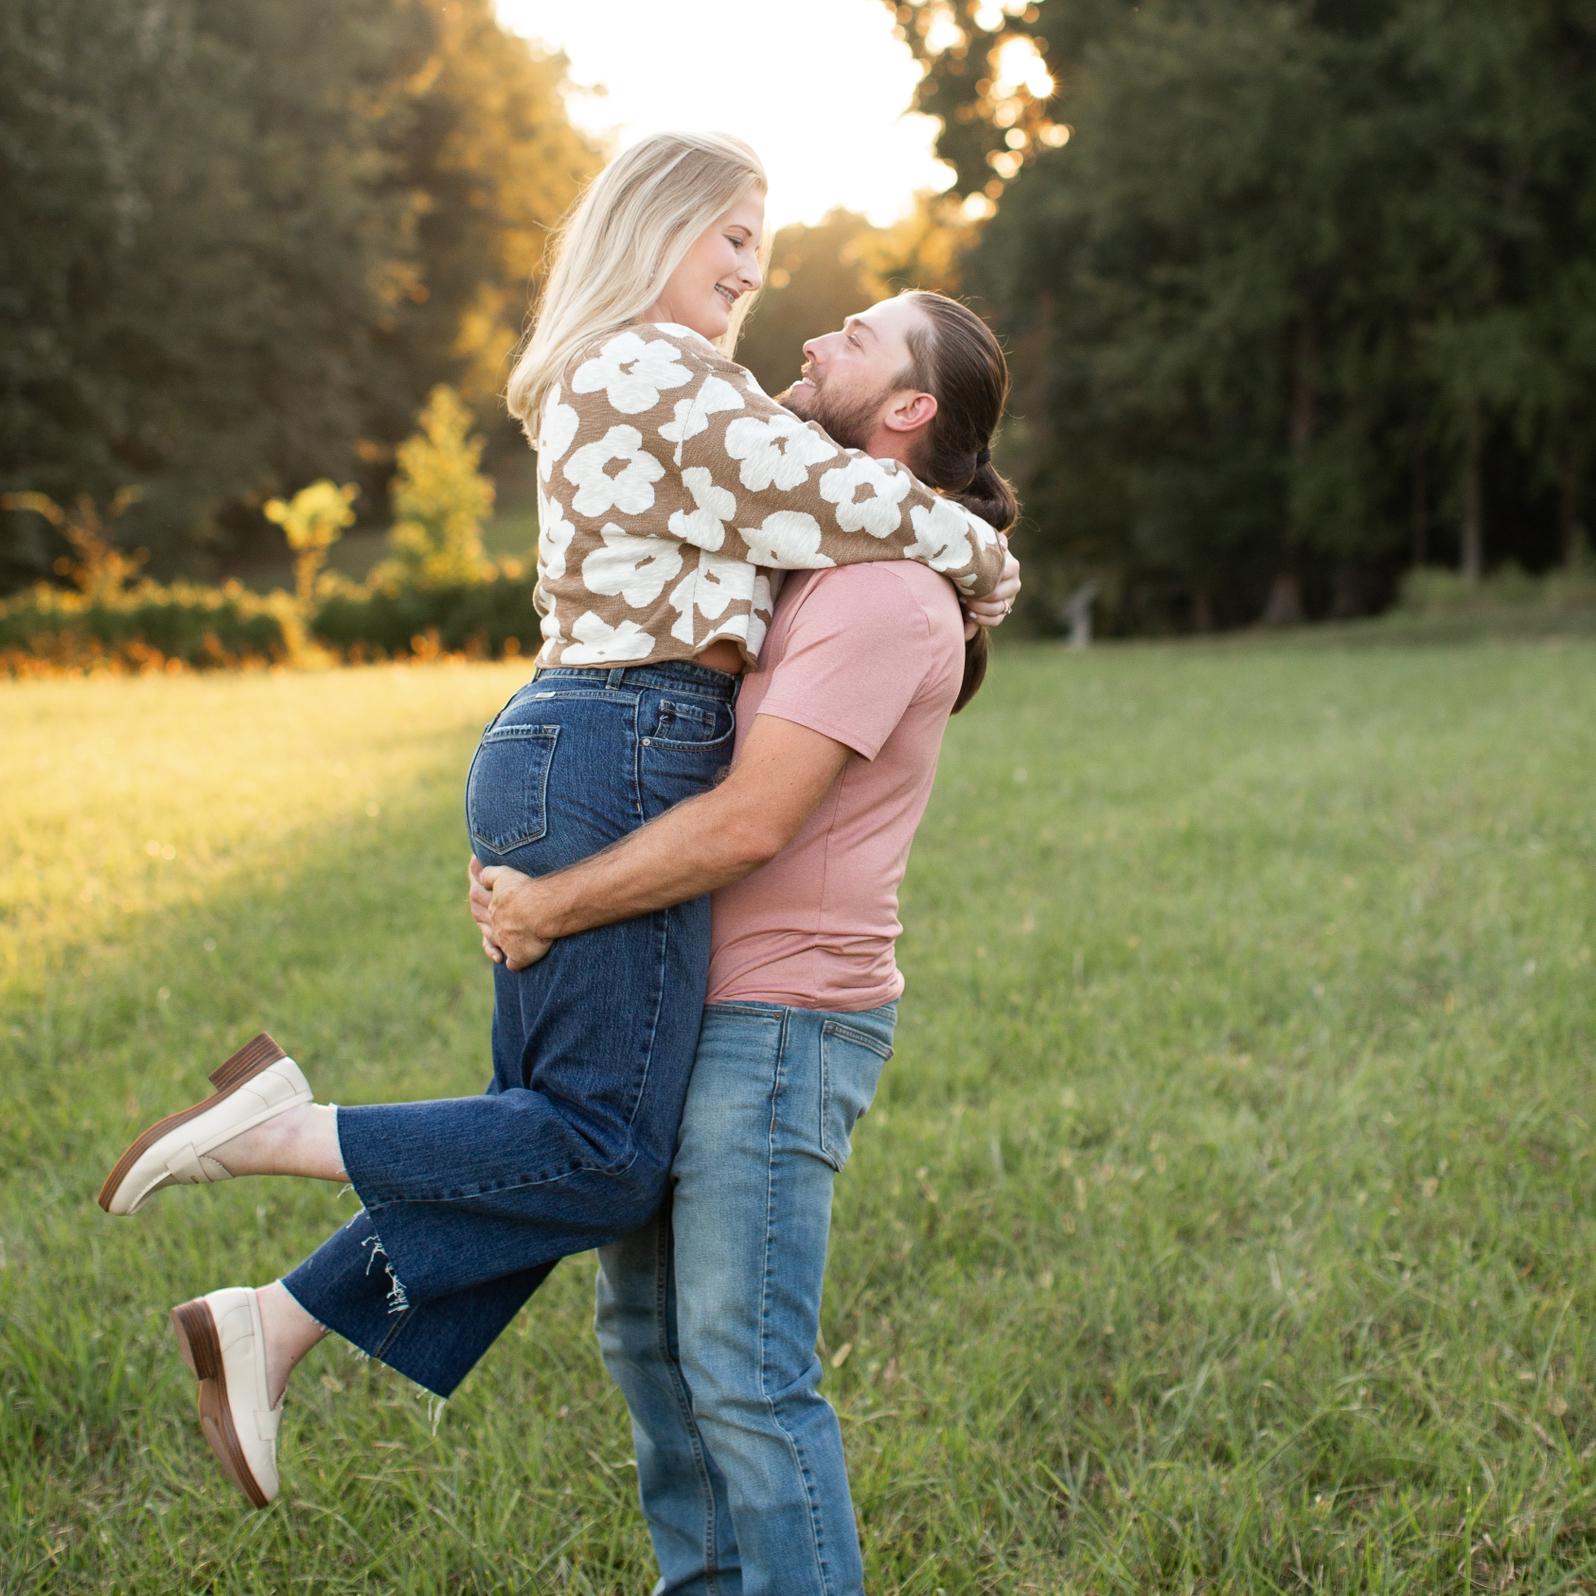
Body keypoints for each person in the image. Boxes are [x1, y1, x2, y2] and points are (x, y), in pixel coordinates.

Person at [95, 130, 1019, 1510]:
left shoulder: (656, 380)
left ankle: (272, 1325)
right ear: (653, 229)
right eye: (731, 238)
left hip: (594, 739)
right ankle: (274, 1135)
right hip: (623, 743)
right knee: (597, 1152)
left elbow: (801, 491)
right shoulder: (652, 367)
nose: (756, 274)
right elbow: (829, 494)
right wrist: (985, 549)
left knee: (562, 1141)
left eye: (757, 248)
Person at [469, 288, 1018, 1595]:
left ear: (908, 410)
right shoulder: (805, 555)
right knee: (651, 1348)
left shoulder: (884, 594)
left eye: (859, 338)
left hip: (780, 1024)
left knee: (745, 1378)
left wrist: (552, 904)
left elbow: (749, 825)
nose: (815, 338)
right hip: (690, 1002)